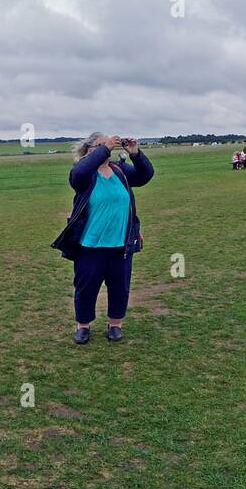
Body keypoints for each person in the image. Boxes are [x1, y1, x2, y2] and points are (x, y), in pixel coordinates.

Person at [53, 133, 155, 344]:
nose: (108, 148)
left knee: (120, 287)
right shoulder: (83, 175)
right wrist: (105, 148)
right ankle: (83, 326)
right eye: (102, 146)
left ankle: (115, 325)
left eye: (109, 145)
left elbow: (145, 176)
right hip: (89, 246)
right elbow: (79, 172)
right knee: (86, 288)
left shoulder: (119, 171)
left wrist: (135, 154)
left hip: (120, 245)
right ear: (90, 150)